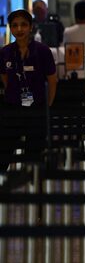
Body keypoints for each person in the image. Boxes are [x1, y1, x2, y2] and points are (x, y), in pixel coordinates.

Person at [0, 10, 58, 171]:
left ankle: (33, 190)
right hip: (12, 110)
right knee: (3, 154)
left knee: (34, 156)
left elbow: (52, 81)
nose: (19, 29)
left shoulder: (42, 51)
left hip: (36, 110)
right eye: (15, 25)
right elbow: (4, 77)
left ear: (31, 27)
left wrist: (48, 106)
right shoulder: (5, 52)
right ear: (10, 28)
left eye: (24, 25)